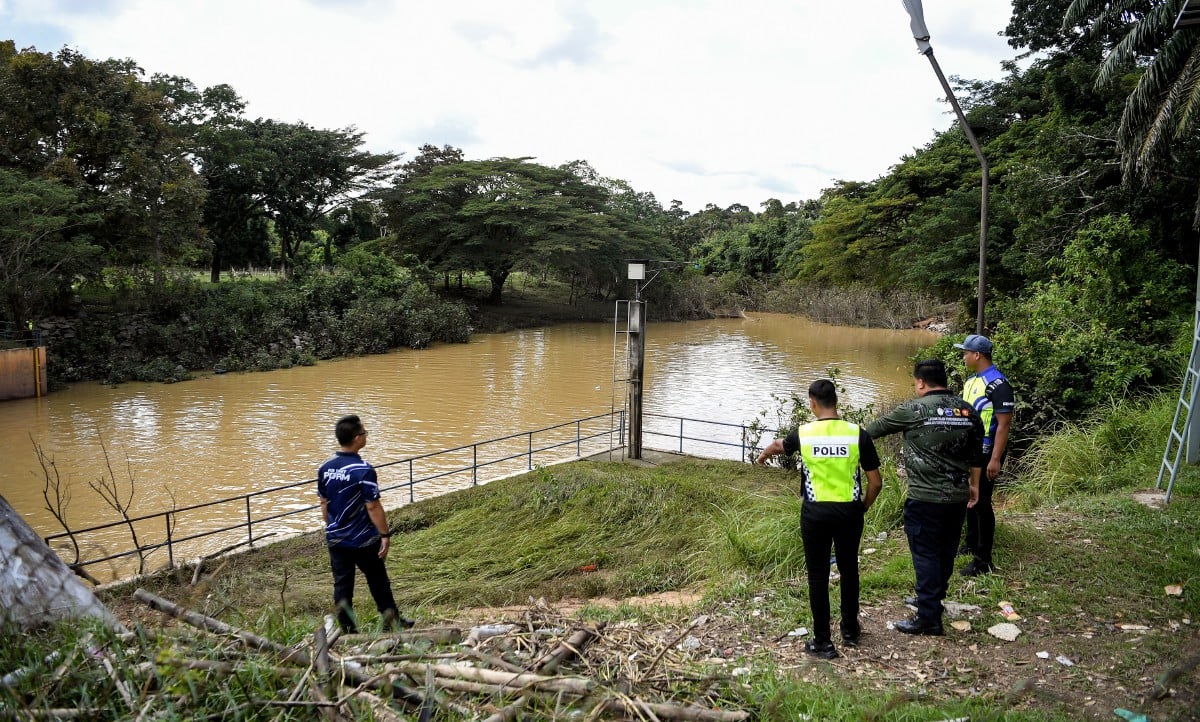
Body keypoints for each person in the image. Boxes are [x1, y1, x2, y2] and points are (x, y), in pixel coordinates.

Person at [756, 379, 883, 659]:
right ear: (836, 402)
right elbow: (875, 482)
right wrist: (862, 507)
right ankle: (850, 630)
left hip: (816, 513)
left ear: (812, 402)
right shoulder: (856, 433)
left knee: (817, 574)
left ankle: (823, 641)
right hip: (849, 511)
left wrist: (764, 453)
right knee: (849, 569)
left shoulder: (805, 433)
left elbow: (780, 445)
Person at [864, 360, 984, 636]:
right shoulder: (967, 410)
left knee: (926, 554)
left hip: (925, 497)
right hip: (957, 496)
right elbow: (977, 453)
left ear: (920, 382)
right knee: (946, 551)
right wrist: (974, 485)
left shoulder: (913, 410)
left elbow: (870, 431)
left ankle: (928, 617)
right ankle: (931, 600)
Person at [318, 414, 413, 633]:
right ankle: (391, 621)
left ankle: (347, 629)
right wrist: (385, 535)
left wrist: (333, 527)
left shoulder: (325, 468)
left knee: (342, 585)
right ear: (357, 438)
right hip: (363, 539)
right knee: (378, 581)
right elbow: (373, 506)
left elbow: (324, 503)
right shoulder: (363, 469)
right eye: (364, 433)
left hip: (336, 538)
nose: (366, 436)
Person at [954, 334, 1014, 577]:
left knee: (982, 503)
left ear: (977, 355)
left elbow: (1004, 424)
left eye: (966, 352)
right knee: (970, 498)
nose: (964, 356)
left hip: (988, 452)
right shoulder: (972, 381)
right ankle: (970, 543)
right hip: (971, 450)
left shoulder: (998, 384)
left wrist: (996, 458)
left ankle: (983, 559)